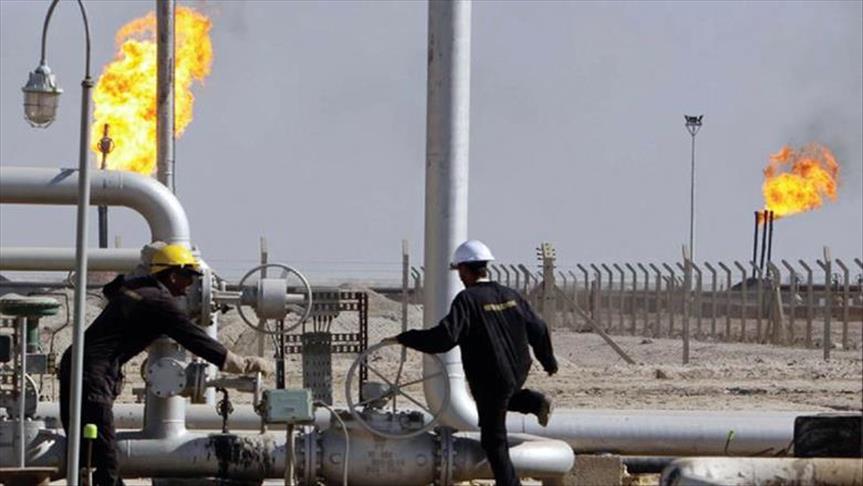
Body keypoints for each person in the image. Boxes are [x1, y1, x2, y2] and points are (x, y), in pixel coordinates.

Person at [58, 243, 272, 485]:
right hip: (93, 375)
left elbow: (111, 289)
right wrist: (241, 364)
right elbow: (195, 339)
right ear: (172, 275)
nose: (190, 285)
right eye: (187, 276)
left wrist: (142, 271)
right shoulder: (159, 302)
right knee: (104, 451)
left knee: (83, 446)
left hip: (75, 365)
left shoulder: (136, 288)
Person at [383, 240, 558, 486]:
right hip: (518, 368)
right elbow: (538, 327)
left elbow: (444, 338)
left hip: (491, 375)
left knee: (493, 439)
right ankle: (535, 402)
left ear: (465, 269)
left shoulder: (467, 300)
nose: (459, 276)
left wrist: (406, 338)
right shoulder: (510, 295)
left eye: (459, 271)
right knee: (501, 398)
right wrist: (548, 361)